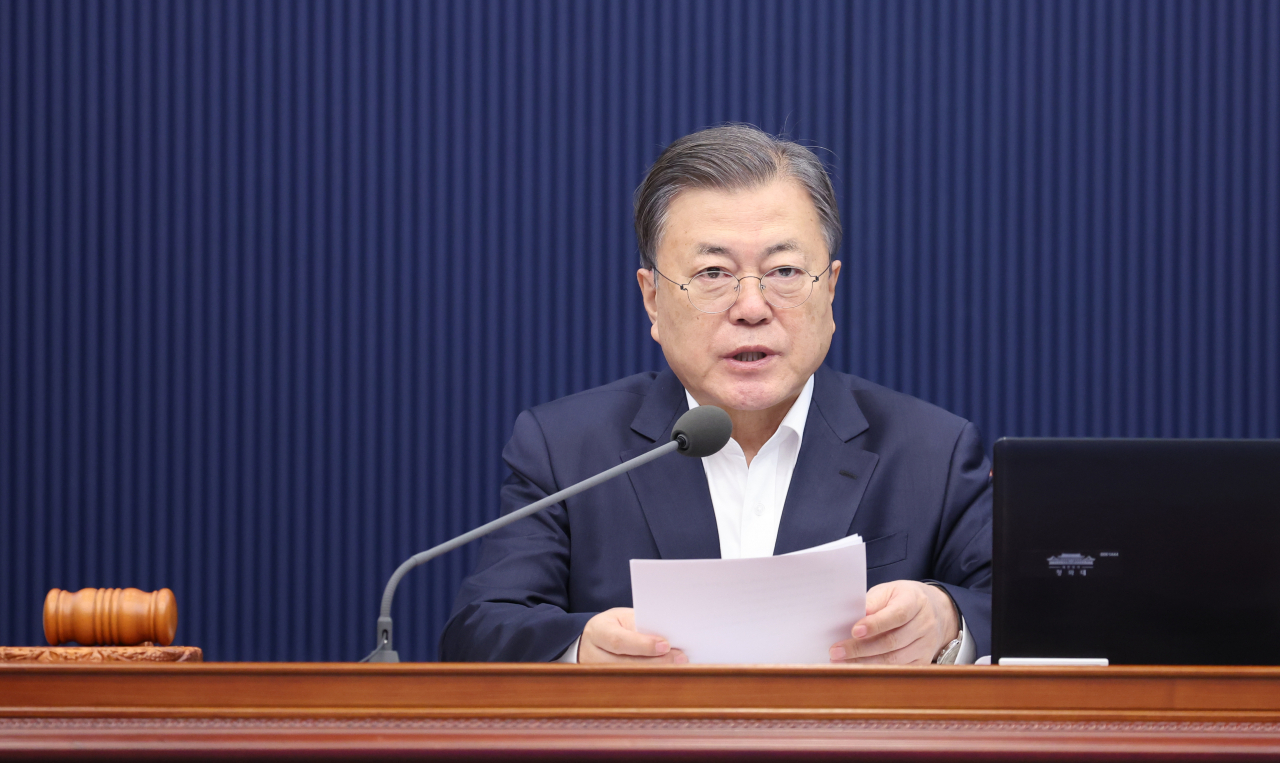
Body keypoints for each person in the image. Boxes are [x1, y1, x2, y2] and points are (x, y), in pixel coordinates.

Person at [440, 125, 992, 665]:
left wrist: (948, 623)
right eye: (713, 272)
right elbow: (481, 628)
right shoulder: (566, 450)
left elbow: (1028, 613)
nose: (751, 307)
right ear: (653, 299)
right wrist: (583, 652)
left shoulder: (932, 452)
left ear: (830, 289)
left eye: (783, 270)